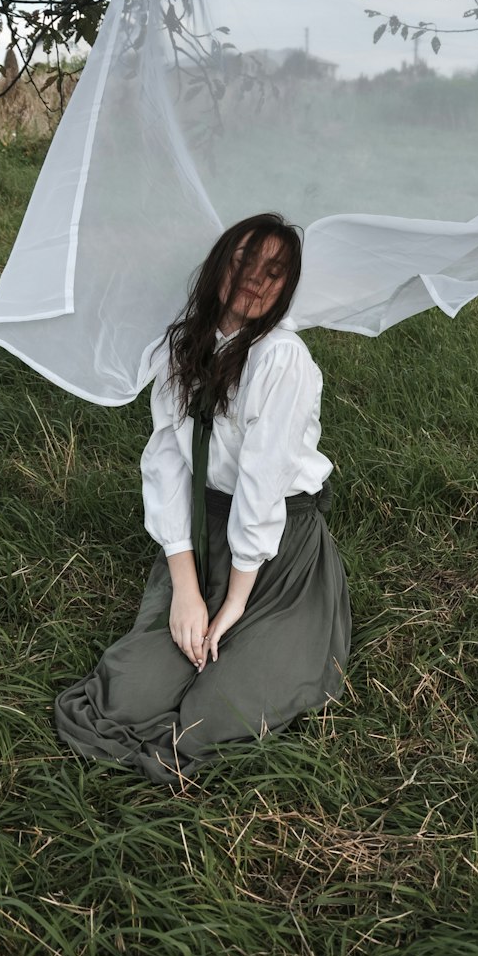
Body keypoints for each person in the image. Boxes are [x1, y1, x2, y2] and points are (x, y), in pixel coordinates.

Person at [54, 212, 351, 786]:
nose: (256, 279)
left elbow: (263, 489)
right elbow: (166, 466)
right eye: (244, 261)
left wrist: (234, 604)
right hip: (205, 535)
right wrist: (186, 593)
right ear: (219, 264)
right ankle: (189, 627)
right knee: (127, 698)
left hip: (279, 550)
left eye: (275, 271)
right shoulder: (183, 346)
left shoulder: (281, 358)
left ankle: (262, 641)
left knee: (208, 722)